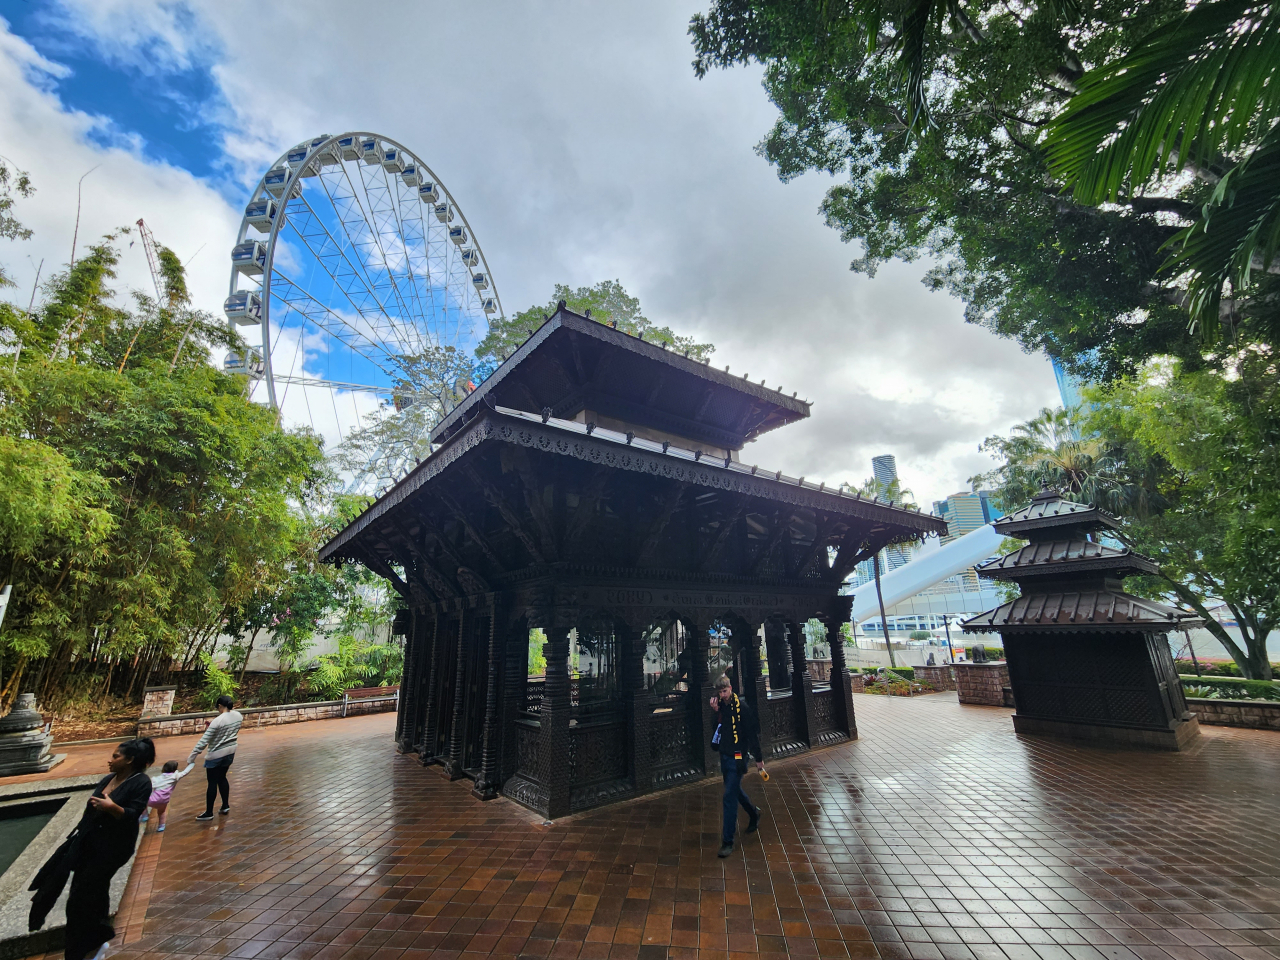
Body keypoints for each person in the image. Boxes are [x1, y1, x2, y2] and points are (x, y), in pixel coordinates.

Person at [29, 737, 155, 960]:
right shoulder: (109, 778)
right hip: (88, 844)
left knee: (82, 897)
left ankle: (82, 948)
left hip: (111, 850)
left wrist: (112, 807)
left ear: (130, 760)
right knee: (85, 893)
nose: (111, 760)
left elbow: (133, 814)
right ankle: (96, 939)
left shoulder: (141, 782)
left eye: (116, 756)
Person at [709, 675, 765, 858]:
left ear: (731, 688)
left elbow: (751, 734)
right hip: (725, 755)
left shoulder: (743, 708)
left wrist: (759, 759)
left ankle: (727, 841)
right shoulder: (721, 707)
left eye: (725, 691)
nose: (723, 695)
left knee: (728, 797)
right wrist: (715, 711)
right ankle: (753, 813)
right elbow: (716, 730)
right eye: (720, 692)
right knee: (734, 791)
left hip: (738, 757)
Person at [187, 694, 243, 821]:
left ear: (219, 706)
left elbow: (203, 741)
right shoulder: (238, 716)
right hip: (230, 752)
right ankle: (225, 805)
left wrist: (191, 757)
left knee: (212, 782)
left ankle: (209, 812)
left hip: (216, 754)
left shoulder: (217, 721)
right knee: (222, 778)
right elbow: (228, 729)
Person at [139, 760, 194, 832]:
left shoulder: (157, 779)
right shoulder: (175, 777)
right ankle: (161, 826)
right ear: (175, 769)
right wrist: (191, 764)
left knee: (142, 802)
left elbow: (149, 785)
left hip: (152, 800)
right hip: (164, 800)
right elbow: (185, 772)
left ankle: (144, 815)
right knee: (161, 812)